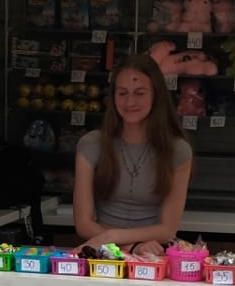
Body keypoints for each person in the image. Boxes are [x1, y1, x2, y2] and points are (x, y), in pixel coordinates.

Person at [72, 53, 193, 257]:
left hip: (152, 254)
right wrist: (130, 246)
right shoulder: (91, 145)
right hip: (102, 253)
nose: (129, 102)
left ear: (156, 96)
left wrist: (112, 236)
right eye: (122, 93)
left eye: (139, 93)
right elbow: (83, 224)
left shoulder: (178, 151)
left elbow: (167, 229)